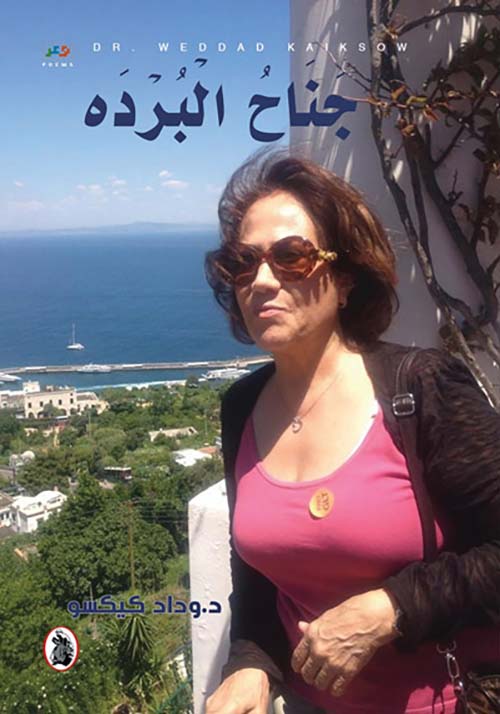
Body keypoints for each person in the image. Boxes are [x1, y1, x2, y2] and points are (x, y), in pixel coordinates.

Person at [203, 149, 500, 714]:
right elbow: (259, 582)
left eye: (291, 257)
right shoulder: (241, 407)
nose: (261, 280)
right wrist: (250, 663)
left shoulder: (422, 388)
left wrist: (392, 608)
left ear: (343, 280)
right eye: (243, 262)